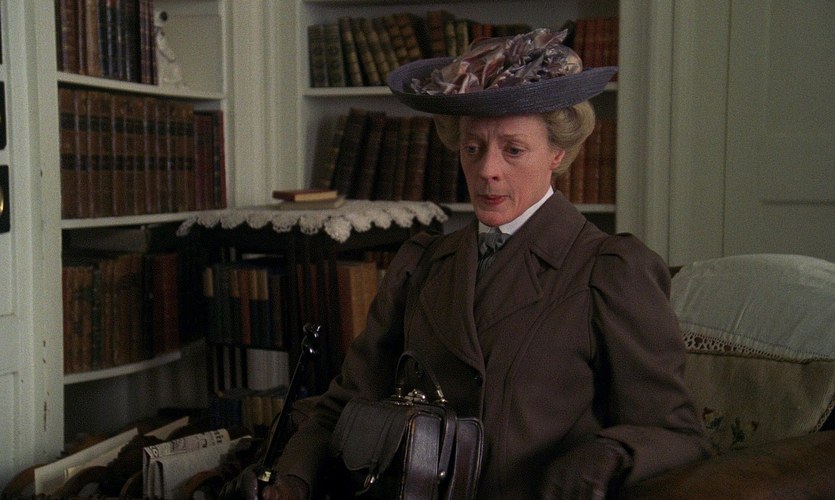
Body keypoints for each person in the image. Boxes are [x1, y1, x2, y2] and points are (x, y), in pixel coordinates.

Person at [222, 28, 712, 499]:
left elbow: (677, 433)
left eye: (513, 150)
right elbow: (345, 403)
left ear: (557, 154)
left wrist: (607, 456)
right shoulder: (422, 263)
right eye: (472, 149)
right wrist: (293, 482)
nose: (487, 171)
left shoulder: (609, 271)